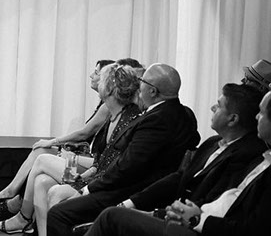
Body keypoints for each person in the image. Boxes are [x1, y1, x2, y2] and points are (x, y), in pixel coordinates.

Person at [85, 89, 271, 236]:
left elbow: (242, 218)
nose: (212, 108)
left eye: (262, 113)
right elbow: (180, 177)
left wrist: (193, 219)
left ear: (233, 119)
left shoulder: (248, 153)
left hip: (198, 225)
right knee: (110, 214)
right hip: (182, 213)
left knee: (110, 217)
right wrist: (139, 206)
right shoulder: (213, 143)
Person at [45, 63, 200, 236]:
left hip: (128, 193)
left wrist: (88, 189)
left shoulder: (157, 119)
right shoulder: (185, 114)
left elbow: (128, 165)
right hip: (144, 188)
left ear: (152, 91)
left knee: (58, 214)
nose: (138, 86)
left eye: (142, 81)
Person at [0, 63, 141, 235]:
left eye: (101, 79)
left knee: (47, 173)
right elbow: (101, 161)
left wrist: (84, 183)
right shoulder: (114, 116)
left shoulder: (128, 119)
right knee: (41, 181)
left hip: (105, 187)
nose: (96, 80)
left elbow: (114, 168)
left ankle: (23, 216)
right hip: (95, 176)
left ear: (109, 89)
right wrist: (83, 176)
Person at [0, 59, 115, 208]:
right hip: (87, 158)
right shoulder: (104, 104)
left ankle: (18, 206)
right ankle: (13, 195)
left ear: (106, 79)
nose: (91, 76)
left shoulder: (108, 106)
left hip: (92, 163)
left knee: (42, 159)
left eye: (96, 73)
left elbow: (84, 133)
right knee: (41, 158)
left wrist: (54, 142)